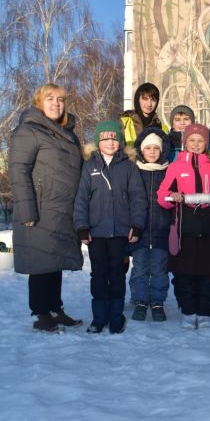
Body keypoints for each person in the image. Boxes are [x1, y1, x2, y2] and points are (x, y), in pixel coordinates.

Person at [9, 84, 84, 333]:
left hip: (62, 208)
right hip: (40, 208)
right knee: (41, 262)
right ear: (39, 102)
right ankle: (41, 313)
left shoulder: (67, 133)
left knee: (54, 262)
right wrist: (27, 210)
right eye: (50, 98)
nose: (56, 103)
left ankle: (55, 308)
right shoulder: (28, 131)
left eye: (61, 99)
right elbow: (18, 172)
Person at [74, 121, 147, 334]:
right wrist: (82, 226)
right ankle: (99, 317)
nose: (110, 142)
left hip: (119, 233)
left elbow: (138, 198)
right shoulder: (90, 167)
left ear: (120, 142)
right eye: (105, 139)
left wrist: (136, 225)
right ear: (98, 142)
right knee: (98, 275)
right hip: (96, 234)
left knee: (116, 274)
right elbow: (81, 200)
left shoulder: (128, 166)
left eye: (114, 138)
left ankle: (116, 316)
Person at [157, 123, 210, 330]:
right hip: (184, 228)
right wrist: (174, 196)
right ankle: (188, 311)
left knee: (207, 274)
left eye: (200, 141)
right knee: (184, 274)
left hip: (208, 227)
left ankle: (204, 311)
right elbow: (162, 196)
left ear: (206, 143)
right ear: (185, 143)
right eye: (192, 141)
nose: (196, 145)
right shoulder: (176, 166)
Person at [129, 127, 172, 322]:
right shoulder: (134, 170)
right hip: (140, 231)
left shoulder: (169, 172)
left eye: (156, 148)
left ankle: (157, 301)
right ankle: (140, 301)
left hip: (162, 230)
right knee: (139, 268)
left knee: (159, 269)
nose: (152, 152)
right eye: (148, 148)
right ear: (141, 150)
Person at [167, 104, 210, 172]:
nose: (182, 123)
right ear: (172, 123)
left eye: (186, 119)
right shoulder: (166, 142)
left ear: (192, 121)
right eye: (177, 119)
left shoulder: (204, 140)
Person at [120, 83, 169, 148]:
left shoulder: (163, 129)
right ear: (138, 100)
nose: (149, 104)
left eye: (153, 100)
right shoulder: (124, 123)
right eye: (145, 99)